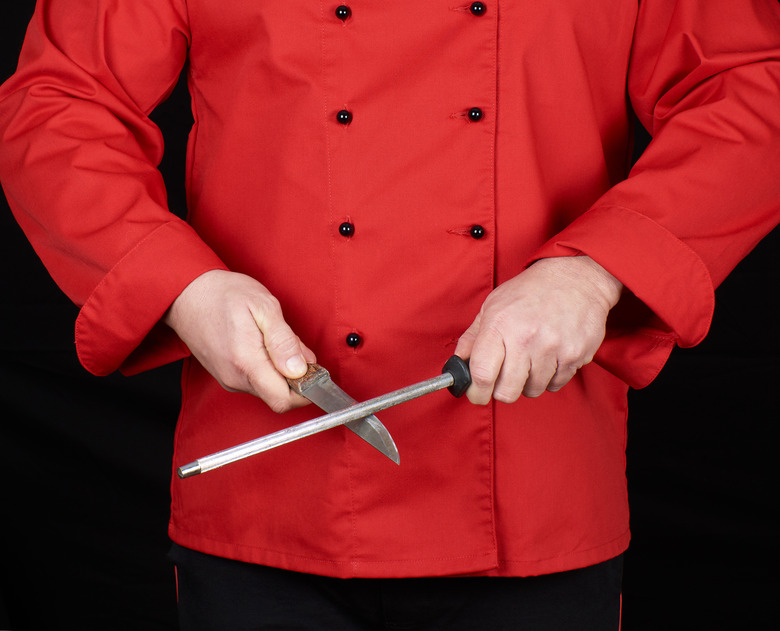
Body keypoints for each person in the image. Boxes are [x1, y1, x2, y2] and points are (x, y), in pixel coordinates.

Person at [1, 1, 778, 629]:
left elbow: (751, 87)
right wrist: (183, 288)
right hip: (268, 487)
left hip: (536, 485)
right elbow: (61, 102)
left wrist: (598, 272)